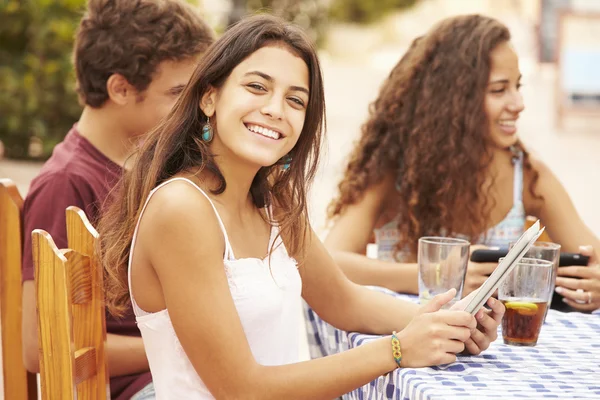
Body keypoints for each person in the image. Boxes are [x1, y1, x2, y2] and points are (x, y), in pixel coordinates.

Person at [97, 14, 504, 399]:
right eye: (257, 87)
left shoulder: (271, 202)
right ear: (209, 98)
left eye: (296, 100)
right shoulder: (181, 210)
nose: (275, 110)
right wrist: (396, 351)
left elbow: (345, 301)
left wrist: (446, 323)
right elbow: (242, 389)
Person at [324, 14, 600, 312]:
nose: (518, 104)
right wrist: (439, 274)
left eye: (517, 86)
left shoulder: (526, 175)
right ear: (452, 102)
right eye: (498, 90)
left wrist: (595, 284)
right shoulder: (394, 172)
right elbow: (330, 261)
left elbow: (593, 258)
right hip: (406, 347)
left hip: (499, 354)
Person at [21, 1, 214, 399]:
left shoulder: (151, 164)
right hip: (137, 388)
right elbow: (39, 348)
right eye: (178, 93)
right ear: (121, 88)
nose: (193, 110)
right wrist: (186, 349)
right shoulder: (65, 183)